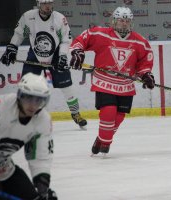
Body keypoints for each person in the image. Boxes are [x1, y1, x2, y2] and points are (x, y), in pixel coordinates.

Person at [69, 6, 155, 155]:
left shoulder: (140, 42)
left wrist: (146, 75)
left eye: (127, 21)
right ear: (114, 21)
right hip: (104, 81)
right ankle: (106, 142)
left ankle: (101, 139)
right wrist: (77, 52)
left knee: (118, 118)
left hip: (125, 85)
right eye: (121, 20)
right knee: (108, 112)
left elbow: (144, 63)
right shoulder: (101, 34)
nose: (124, 23)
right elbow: (81, 40)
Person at [0, 0, 87, 128]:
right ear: (39, 4)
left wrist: (62, 56)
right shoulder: (28, 16)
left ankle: (76, 113)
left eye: (50, 3)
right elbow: (19, 33)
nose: (47, 6)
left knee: (67, 87)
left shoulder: (59, 18)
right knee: (26, 86)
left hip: (56, 55)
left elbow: (65, 40)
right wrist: (12, 48)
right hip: (35, 55)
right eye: (45, 3)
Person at [0, 73, 57, 200]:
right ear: (20, 95)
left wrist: (43, 186)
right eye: (29, 98)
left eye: (39, 100)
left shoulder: (42, 121)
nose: (33, 105)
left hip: (3, 169)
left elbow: (40, 157)